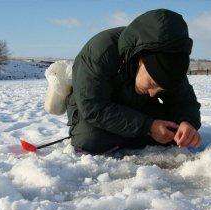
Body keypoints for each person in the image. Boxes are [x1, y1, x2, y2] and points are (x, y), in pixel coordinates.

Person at [66, 9, 201, 154]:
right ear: (141, 61)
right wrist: (148, 127)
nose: (153, 93)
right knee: (90, 140)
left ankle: (129, 135)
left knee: (172, 130)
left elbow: (185, 102)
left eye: (160, 90)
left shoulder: (171, 64)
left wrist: (187, 123)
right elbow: (92, 106)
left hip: (136, 107)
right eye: (152, 84)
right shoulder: (100, 51)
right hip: (95, 106)